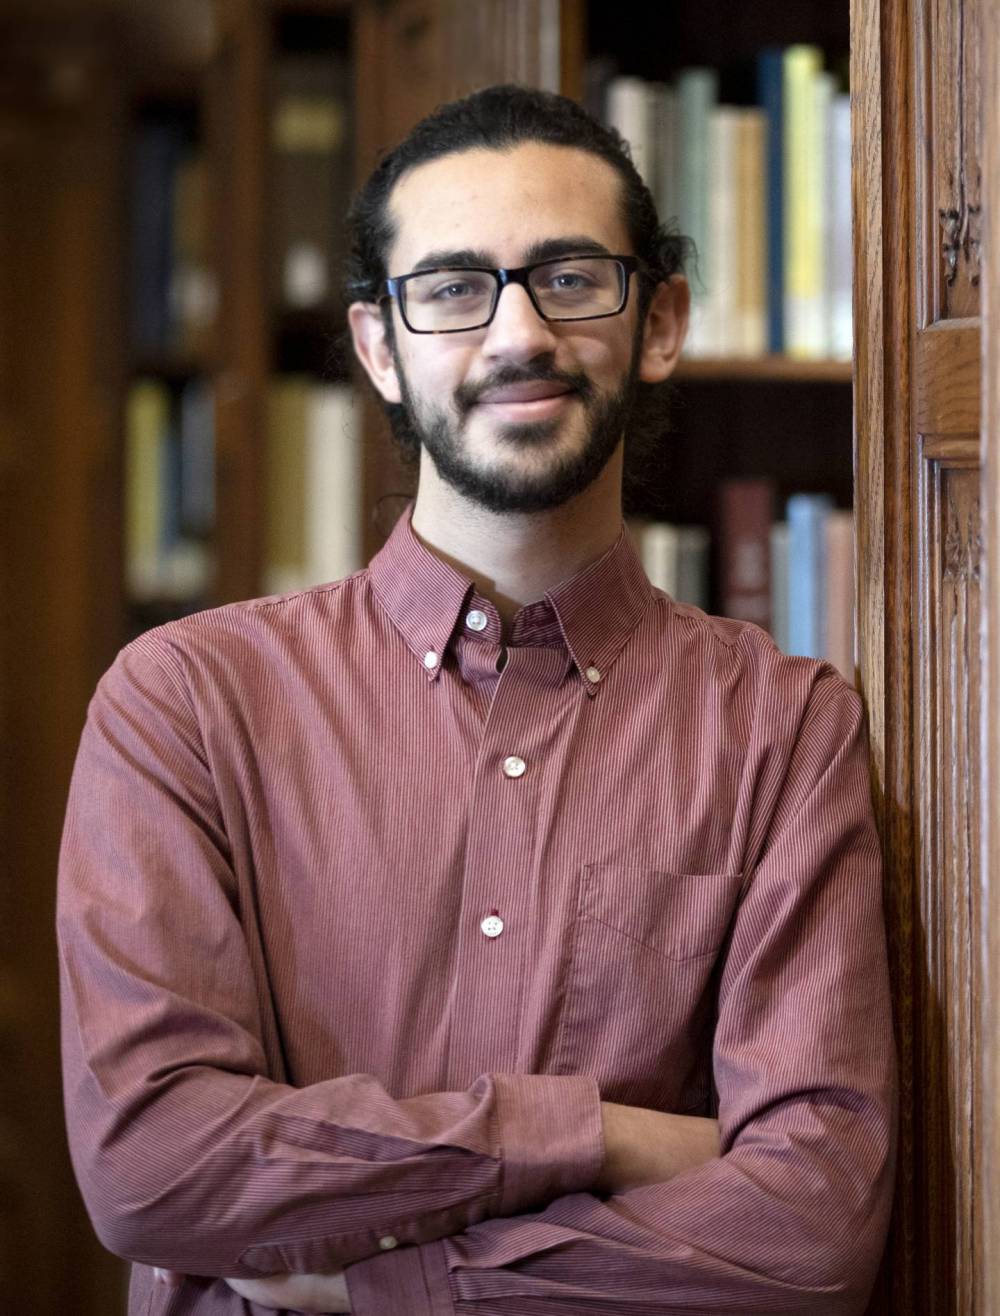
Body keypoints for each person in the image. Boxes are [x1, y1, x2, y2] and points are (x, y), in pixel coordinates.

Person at [58, 83, 897, 1315]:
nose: (516, 335)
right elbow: (152, 1164)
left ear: (658, 322)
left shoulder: (784, 726)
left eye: (567, 277)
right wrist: (597, 1136)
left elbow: (811, 1225)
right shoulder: (186, 702)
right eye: (452, 288)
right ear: (379, 347)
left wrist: (385, 1279)